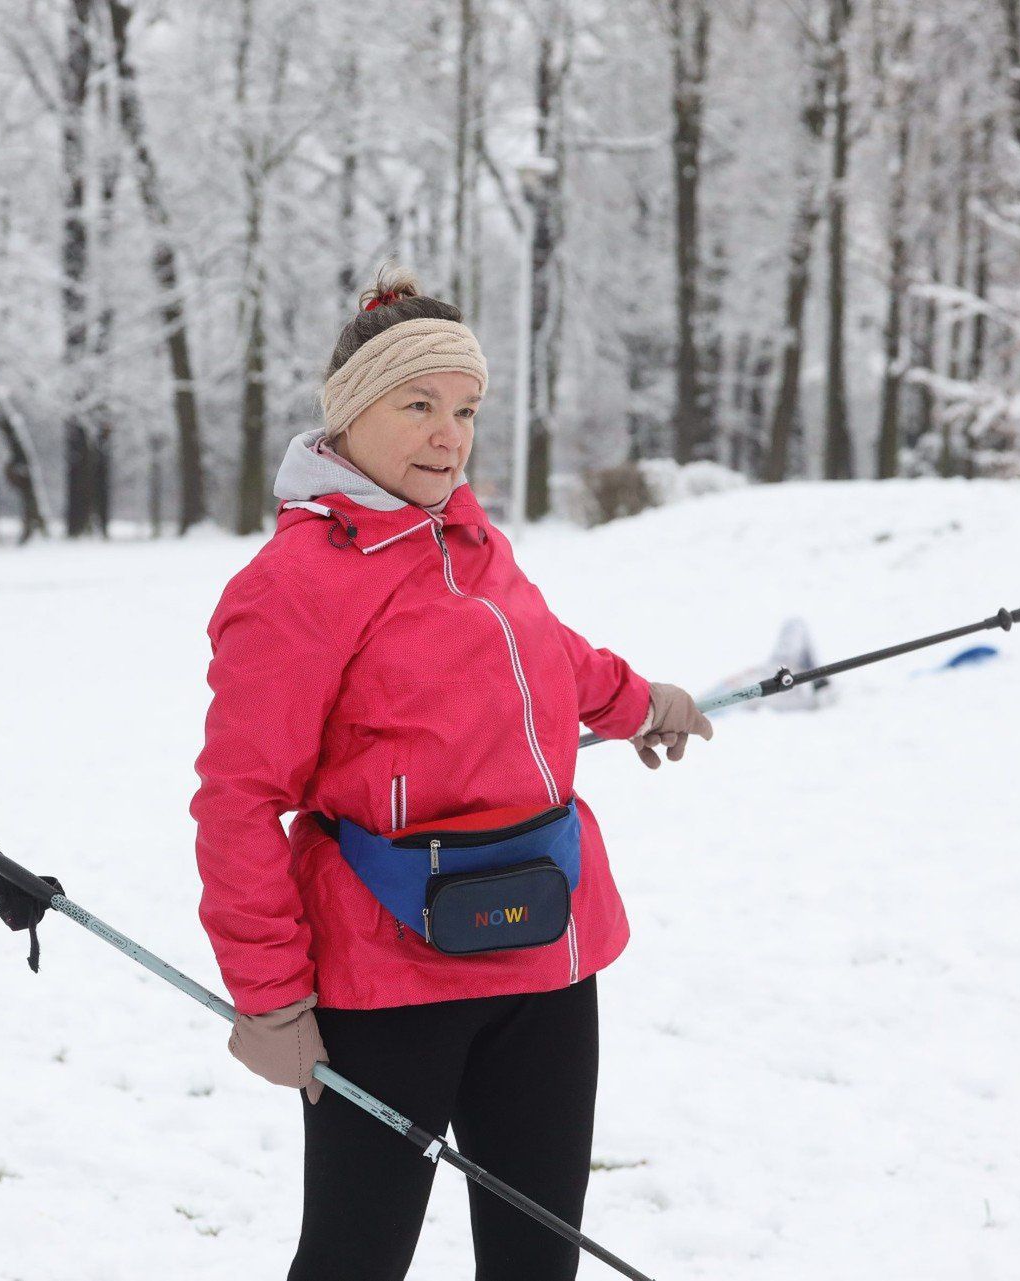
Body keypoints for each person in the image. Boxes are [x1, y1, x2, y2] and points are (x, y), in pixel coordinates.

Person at [189, 263, 714, 1281]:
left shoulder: (468, 538)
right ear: (349, 415)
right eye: (419, 405)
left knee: (538, 1255)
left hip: (544, 946)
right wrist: (272, 999)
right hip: (391, 974)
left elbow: (542, 652)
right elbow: (239, 802)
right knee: (356, 1258)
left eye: (466, 410)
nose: (450, 435)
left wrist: (638, 701)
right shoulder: (295, 585)